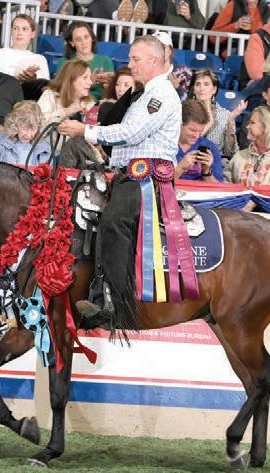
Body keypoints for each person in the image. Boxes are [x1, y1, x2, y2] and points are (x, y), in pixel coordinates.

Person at [57, 36, 181, 324]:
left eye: (136, 59)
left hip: (147, 177)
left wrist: (85, 131)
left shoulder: (159, 95)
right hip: (130, 174)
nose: (130, 64)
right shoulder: (145, 94)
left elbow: (131, 133)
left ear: (153, 61)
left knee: (114, 222)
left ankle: (113, 300)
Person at [224, 105, 270, 202]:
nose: (247, 126)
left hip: (265, 210)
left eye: (252, 123)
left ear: (266, 127)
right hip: (235, 208)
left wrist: (251, 204)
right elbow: (224, 184)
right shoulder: (240, 155)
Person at [187, 68, 243, 159]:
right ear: (193, 90)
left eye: (206, 84)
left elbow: (230, 153)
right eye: (198, 84)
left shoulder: (224, 115)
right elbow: (186, 145)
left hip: (216, 162)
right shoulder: (185, 112)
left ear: (214, 89)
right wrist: (209, 123)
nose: (201, 88)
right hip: (189, 159)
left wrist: (230, 123)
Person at [56, 21, 114, 102]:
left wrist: (108, 84)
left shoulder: (105, 60)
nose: (83, 43)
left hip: (100, 105)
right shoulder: (65, 62)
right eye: (78, 39)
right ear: (72, 43)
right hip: (73, 103)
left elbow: (111, 92)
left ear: (92, 38)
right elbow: (60, 90)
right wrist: (89, 81)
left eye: (86, 37)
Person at [175, 100, 224, 182]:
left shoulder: (210, 147)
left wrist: (206, 170)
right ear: (180, 124)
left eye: (200, 131)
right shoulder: (165, 145)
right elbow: (157, 185)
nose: (197, 136)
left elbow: (217, 187)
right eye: (193, 130)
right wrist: (180, 168)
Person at [0, 101, 50, 166]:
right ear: (15, 124)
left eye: (33, 129)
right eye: (25, 128)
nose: (28, 134)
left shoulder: (45, 149)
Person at [37, 59, 93, 124]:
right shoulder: (49, 95)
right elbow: (38, 123)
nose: (90, 82)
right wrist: (65, 112)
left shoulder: (89, 102)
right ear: (70, 80)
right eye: (85, 78)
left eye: (90, 78)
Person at [0, 14, 49, 81]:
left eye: (24, 29)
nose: (19, 33)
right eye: (15, 28)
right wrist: (17, 79)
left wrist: (33, 80)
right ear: (11, 32)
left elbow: (44, 85)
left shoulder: (39, 59)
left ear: (32, 34)